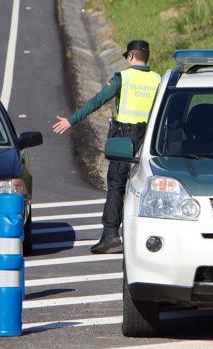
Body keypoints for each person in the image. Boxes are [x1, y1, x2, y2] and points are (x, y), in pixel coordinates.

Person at [53, 40, 161, 254]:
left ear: (131, 56)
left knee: (117, 184)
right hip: (151, 138)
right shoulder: (158, 79)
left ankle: (110, 234)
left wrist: (71, 120)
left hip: (125, 139)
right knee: (149, 186)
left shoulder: (124, 78)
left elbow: (98, 100)